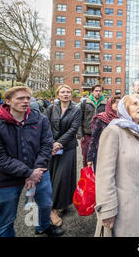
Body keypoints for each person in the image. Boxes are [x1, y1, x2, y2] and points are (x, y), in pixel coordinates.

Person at [0, 86, 64, 237]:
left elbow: (46, 145)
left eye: (28, 98)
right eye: (20, 98)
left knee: (45, 205)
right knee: (7, 216)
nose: (25, 101)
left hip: (39, 172)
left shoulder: (40, 119)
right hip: (8, 177)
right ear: (8, 101)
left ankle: (43, 227)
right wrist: (28, 173)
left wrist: (37, 169)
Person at [94, 95, 139, 237]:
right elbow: (104, 175)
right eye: (135, 104)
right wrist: (108, 209)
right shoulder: (113, 131)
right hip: (123, 205)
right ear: (124, 109)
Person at [46, 84, 81, 227]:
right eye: (63, 92)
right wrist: (51, 143)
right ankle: (56, 205)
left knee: (64, 176)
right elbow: (45, 125)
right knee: (52, 175)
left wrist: (59, 143)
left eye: (68, 92)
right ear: (58, 94)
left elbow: (73, 129)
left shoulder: (76, 109)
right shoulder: (51, 108)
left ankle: (57, 206)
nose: (66, 94)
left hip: (68, 147)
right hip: (51, 147)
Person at [87, 96, 121, 172]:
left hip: (118, 154)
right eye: (115, 103)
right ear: (109, 104)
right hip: (102, 153)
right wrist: (90, 158)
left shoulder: (123, 119)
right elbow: (94, 139)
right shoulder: (101, 118)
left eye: (120, 103)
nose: (118, 105)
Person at [78, 84, 107, 168]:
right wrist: (80, 134)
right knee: (86, 158)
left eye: (100, 91)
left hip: (100, 135)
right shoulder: (85, 103)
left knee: (99, 158)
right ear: (92, 92)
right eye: (96, 91)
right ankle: (86, 178)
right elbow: (80, 118)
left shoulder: (106, 103)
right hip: (87, 134)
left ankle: (97, 178)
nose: (98, 93)